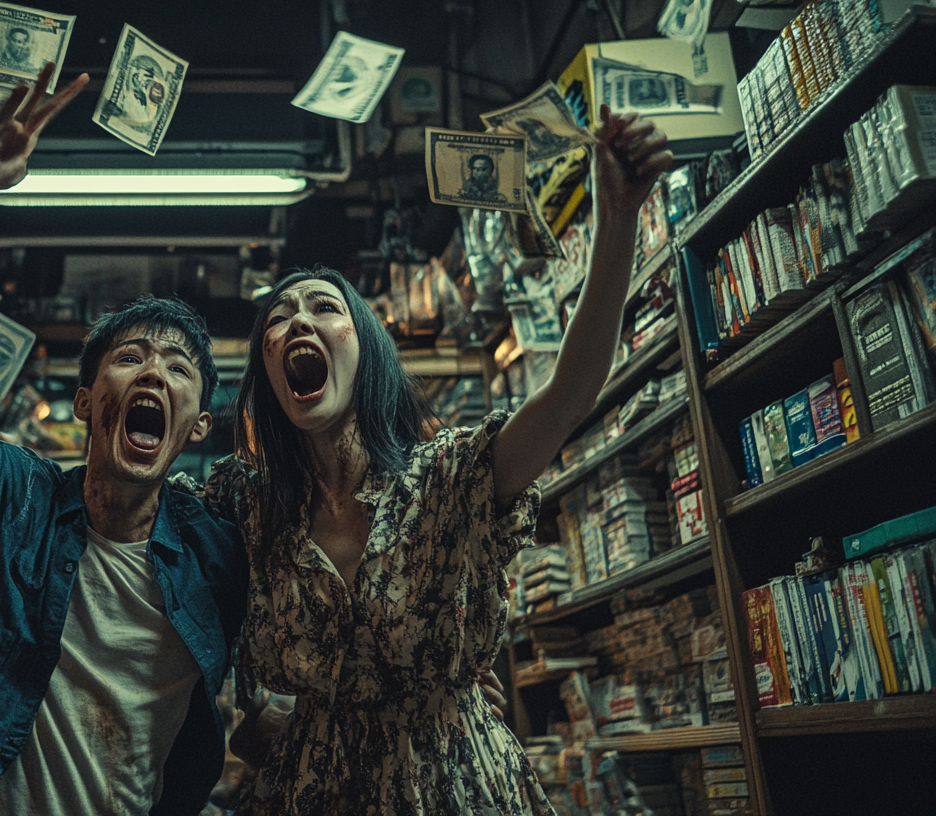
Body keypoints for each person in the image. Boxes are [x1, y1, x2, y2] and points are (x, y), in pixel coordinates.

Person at [205, 103, 672, 815]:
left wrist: (618, 217)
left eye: (323, 307)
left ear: (366, 352)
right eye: (279, 316)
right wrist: (242, 724)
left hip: (461, 791)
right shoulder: (245, 508)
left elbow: (572, 391)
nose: (297, 318)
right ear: (266, 371)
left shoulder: (449, 481)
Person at [0, 64, 249, 816]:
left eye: (177, 368)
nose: (154, 375)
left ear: (197, 426)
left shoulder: (220, 553)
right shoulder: (19, 499)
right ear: (86, 403)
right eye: (130, 357)